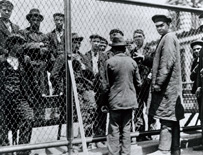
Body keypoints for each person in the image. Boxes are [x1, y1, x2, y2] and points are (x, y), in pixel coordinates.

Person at [147, 15, 184, 155]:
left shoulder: (168, 38)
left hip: (167, 89)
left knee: (166, 120)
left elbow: (166, 63)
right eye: (156, 26)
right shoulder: (169, 37)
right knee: (172, 119)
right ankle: (175, 150)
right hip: (172, 88)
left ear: (169, 24)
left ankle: (163, 150)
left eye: (161, 25)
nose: (159, 28)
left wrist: (158, 83)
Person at [102, 36, 141, 155]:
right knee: (126, 128)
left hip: (115, 101)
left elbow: (105, 86)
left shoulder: (109, 62)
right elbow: (139, 83)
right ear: (124, 48)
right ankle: (126, 153)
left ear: (113, 49)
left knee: (114, 129)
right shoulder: (132, 62)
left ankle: (113, 153)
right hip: (129, 101)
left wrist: (104, 102)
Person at [0, 34, 34, 155]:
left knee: (28, 117)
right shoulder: (2, 60)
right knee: (2, 124)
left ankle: (22, 150)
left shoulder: (25, 60)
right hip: (3, 99)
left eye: (21, 43)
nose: (21, 46)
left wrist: (34, 96)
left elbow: (32, 78)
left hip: (20, 97)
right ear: (10, 45)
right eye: (18, 43)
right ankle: (5, 151)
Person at [18, 8, 51, 120]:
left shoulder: (44, 35)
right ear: (29, 20)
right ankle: (29, 116)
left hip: (41, 66)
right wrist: (38, 46)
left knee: (41, 91)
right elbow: (23, 46)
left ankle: (40, 116)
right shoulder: (24, 33)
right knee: (29, 89)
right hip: (29, 65)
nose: (35, 21)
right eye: (33, 19)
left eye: (38, 19)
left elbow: (47, 49)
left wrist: (42, 48)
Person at [129, 29, 155, 141]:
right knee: (138, 110)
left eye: (140, 36)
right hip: (136, 86)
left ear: (144, 37)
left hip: (148, 84)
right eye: (135, 37)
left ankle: (151, 131)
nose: (137, 39)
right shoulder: (131, 52)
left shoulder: (150, 50)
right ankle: (141, 134)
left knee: (150, 109)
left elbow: (155, 64)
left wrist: (150, 76)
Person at [190, 39, 203, 151]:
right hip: (199, 93)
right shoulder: (195, 62)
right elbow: (191, 77)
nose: (196, 51)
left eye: (198, 49)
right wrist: (194, 70)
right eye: (194, 50)